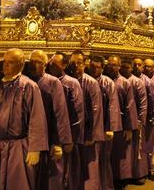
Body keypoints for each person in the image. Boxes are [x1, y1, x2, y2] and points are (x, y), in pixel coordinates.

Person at [0, 49, 48, 189]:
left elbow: (36, 118)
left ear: (20, 65)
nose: (5, 66)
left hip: (17, 148)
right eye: (4, 62)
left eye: (10, 63)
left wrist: (35, 148)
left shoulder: (28, 86)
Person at [27, 50, 73, 190]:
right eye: (32, 61)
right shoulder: (24, 81)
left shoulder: (52, 82)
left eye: (38, 62)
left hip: (48, 136)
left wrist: (60, 141)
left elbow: (60, 113)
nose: (34, 65)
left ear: (45, 65)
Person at [48, 52, 84, 190]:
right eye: (50, 62)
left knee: (64, 172)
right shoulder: (45, 80)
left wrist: (71, 138)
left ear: (64, 65)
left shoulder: (71, 83)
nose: (51, 65)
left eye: (55, 63)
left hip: (66, 133)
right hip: (49, 133)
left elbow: (78, 112)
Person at [70, 50, 105, 190]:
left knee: (90, 167)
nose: (76, 66)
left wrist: (91, 134)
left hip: (88, 133)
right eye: (73, 63)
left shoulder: (90, 82)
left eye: (79, 62)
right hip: (73, 132)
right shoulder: (68, 80)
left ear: (84, 64)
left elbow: (96, 110)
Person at [87, 55, 121, 190]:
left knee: (103, 160)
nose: (95, 69)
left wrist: (110, 128)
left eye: (98, 67)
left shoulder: (107, 82)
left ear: (102, 68)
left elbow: (113, 105)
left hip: (103, 127)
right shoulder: (84, 80)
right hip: (88, 128)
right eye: (92, 66)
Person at [106, 55, 138, 189]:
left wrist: (129, 127)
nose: (112, 67)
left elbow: (129, 105)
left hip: (120, 124)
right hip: (106, 123)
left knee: (119, 155)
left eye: (115, 65)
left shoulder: (125, 83)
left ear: (119, 66)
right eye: (110, 64)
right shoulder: (104, 80)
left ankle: (119, 182)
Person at [121, 60, 148, 186]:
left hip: (136, 120)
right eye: (123, 67)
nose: (125, 69)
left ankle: (139, 174)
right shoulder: (119, 80)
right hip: (123, 120)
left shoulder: (137, 82)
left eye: (128, 67)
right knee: (125, 150)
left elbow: (143, 103)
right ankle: (126, 174)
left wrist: (140, 120)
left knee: (138, 149)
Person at [140, 58, 154, 182]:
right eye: (145, 66)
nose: (148, 68)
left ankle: (151, 168)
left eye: (150, 66)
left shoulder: (151, 81)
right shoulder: (139, 79)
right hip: (140, 119)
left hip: (150, 118)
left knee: (150, 145)